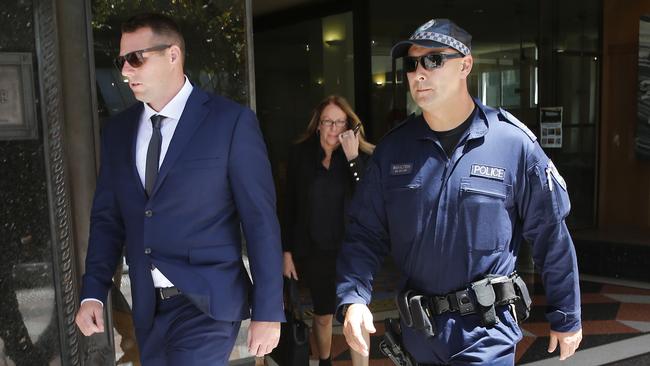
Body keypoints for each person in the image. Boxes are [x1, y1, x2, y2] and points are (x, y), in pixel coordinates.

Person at [336, 18, 583, 365]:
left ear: (466, 65)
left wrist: (567, 315)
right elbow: (364, 233)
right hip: (418, 337)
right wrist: (355, 299)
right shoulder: (394, 151)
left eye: (433, 60)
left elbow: (550, 234)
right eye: (411, 63)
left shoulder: (512, 144)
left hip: (485, 334)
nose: (419, 73)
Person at [74, 13, 284, 365]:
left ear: (173, 55)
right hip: (147, 307)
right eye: (121, 61)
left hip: (208, 304)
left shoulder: (229, 122)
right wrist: (93, 292)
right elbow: (108, 219)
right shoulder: (118, 132)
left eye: (136, 59)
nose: (126, 71)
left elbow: (260, 220)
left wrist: (268, 311)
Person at [282, 95, 374, 366]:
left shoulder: (362, 156)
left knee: (356, 314)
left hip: (352, 251)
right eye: (328, 122)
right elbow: (288, 206)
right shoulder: (301, 155)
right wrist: (286, 251)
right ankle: (324, 362)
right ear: (318, 125)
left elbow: (368, 203)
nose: (333, 128)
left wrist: (353, 158)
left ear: (349, 125)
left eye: (339, 122)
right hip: (315, 250)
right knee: (322, 315)